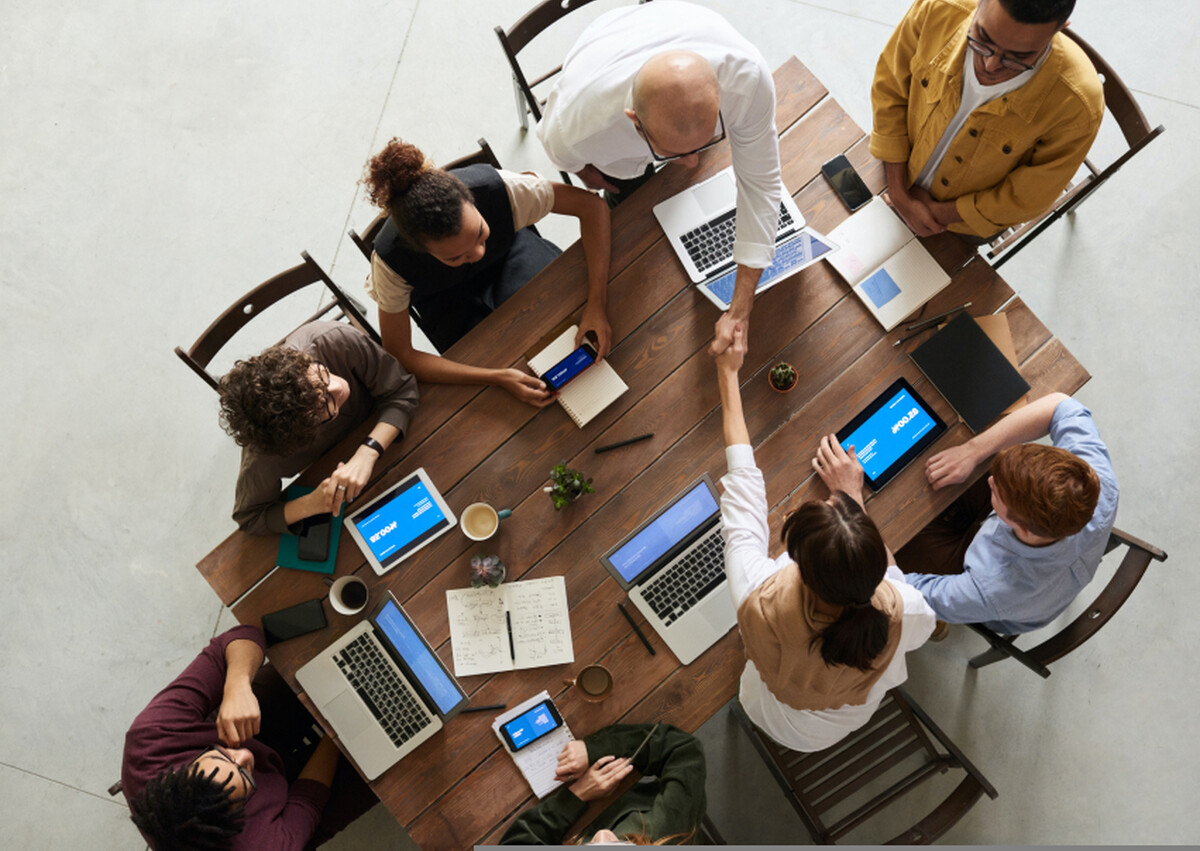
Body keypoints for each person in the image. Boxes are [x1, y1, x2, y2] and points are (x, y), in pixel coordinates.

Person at [714, 327, 935, 750]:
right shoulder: (902, 606)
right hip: (839, 722)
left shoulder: (757, 596)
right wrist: (853, 497)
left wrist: (727, 374)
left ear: (800, 568)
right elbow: (906, 604)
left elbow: (742, 489)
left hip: (774, 713)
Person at [535, 0, 782, 357]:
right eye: (676, 153)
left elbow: (761, 186)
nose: (693, 163)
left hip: (672, 25)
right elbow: (571, 161)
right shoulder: (575, 131)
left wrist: (740, 307)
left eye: (707, 140)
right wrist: (591, 175)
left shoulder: (749, 79)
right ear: (634, 121)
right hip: (606, 53)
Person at [361, 138, 612, 407]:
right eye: (455, 256)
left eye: (480, 234)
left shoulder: (501, 189)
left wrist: (597, 303)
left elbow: (592, 207)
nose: (478, 253)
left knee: (562, 316)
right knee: (494, 373)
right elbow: (400, 352)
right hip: (443, 299)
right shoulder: (391, 263)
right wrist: (496, 378)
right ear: (420, 250)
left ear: (471, 201)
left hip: (509, 255)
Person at [122, 626, 376, 850]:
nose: (245, 755)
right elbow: (308, 798)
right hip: (289, 813)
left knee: (311, 652)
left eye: (222, 755)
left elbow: (242, 635)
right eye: (244, 775)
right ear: (238, 817)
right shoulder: (263, 845)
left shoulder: (152, 738)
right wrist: (338, 726)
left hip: (240, 729)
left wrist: (237, 686)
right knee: (379, 764)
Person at [870, 0, 1103, 239]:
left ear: (1060, 28)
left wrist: (935, 214)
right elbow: (889, 87)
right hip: (892, 169)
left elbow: (1029, 196)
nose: (990, 65)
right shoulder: (940, 8)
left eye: (1017, 58)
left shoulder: (1078, 104)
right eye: (982, 39)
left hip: (959, 225)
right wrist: (899, 194)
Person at [896, 392, 1118, 635]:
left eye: (996, 491)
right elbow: (1060, 404)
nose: (991, 480)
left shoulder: (993, 590)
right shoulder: (1092, 482)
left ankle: (938, 626)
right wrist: (972, 451)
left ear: (1022, 529)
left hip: (992, 594)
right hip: (1039, 565)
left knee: (887, 546)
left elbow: (900, 595)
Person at [219, 320, 418, 536]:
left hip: (397, 437)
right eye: (325, 404)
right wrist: (312, 503)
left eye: (322, 376)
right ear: (302, 433)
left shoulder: (333, 339)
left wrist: (367, 453)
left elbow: (402, 390)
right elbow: (250, 517)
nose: (338, 386)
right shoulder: (264, 453)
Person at [500, 723, 706, 846]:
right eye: (622, 846)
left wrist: (576, 795)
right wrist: (595, 749)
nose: (602, 836)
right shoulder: (669, 831)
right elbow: (684, 752)